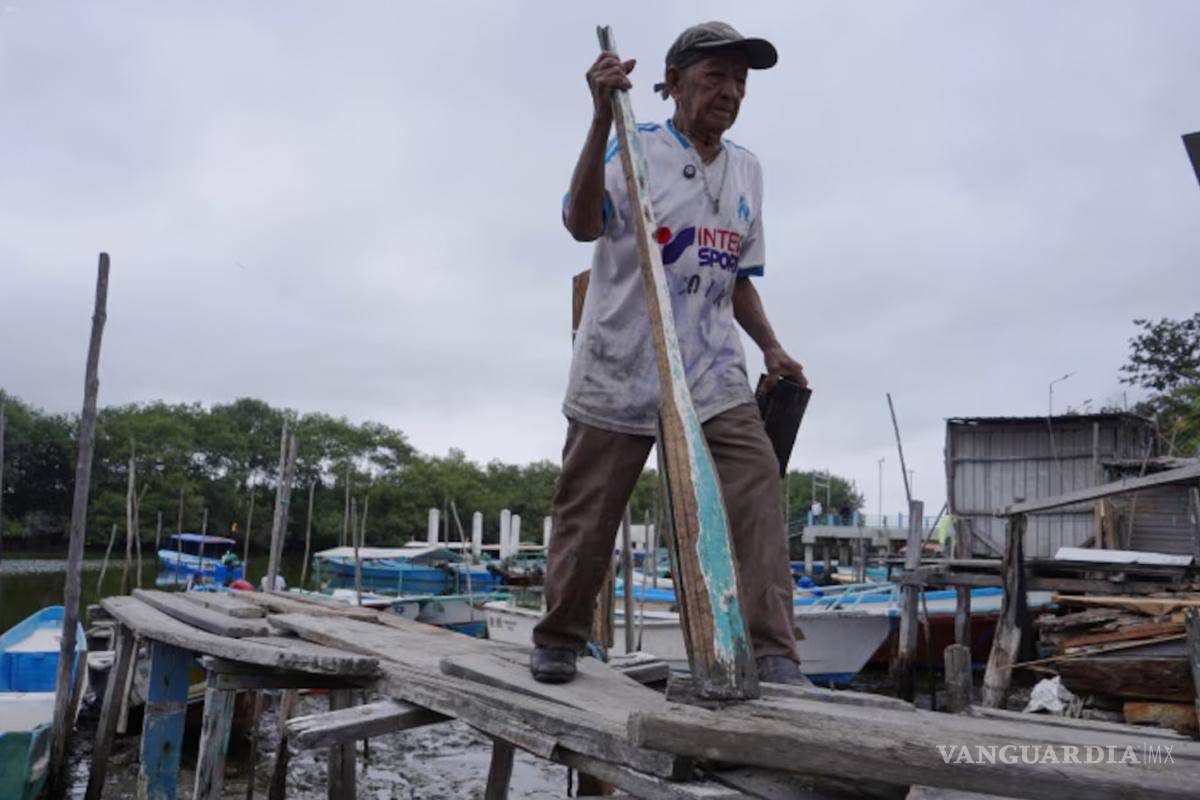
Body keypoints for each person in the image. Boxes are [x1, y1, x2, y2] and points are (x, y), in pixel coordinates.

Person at [531, 22, 809, 685]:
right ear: (675, 83)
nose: (730, 91)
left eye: (740, 81)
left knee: (755, 487)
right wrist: (601, 119)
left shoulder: (747, 170)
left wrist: (771, 346)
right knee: (590, 510)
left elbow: (736, 276)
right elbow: (581, 224)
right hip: (623, 359)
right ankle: (560, 636)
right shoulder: (635, 144)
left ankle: (773, 652)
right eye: (715, 77)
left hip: (712, 369)